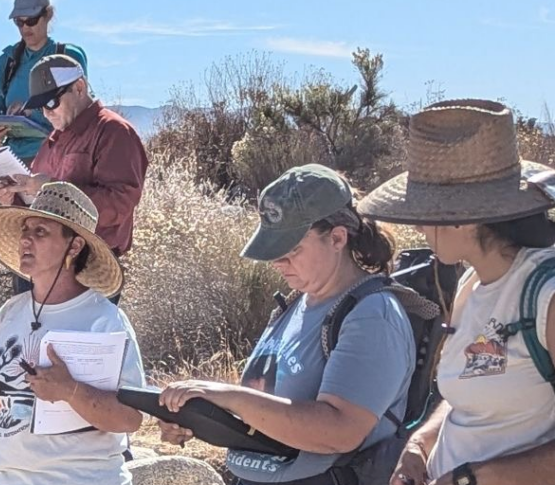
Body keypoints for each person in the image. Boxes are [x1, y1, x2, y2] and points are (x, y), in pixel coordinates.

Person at [157, 164, 417, 485]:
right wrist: (200, 414)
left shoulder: (373, 316)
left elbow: (340, 432)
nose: (278, 263)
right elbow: (267, 410)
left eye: (291, 249)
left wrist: (229, 396)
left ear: (337, 238)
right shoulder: (298, 302)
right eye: (274, 250)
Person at [356, 99, 555, 485]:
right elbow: (470, 394)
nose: (420, 228)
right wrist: (421, 444)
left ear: (465, 219)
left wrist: (474, 478)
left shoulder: (545, 293)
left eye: (427, 213)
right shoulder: (471, 282)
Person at [0, 182, 145, 485]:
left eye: (41, 232)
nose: (26, 239)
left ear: (74, 246)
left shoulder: (103, 321)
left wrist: (71, 391)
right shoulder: (9, 312)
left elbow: (129, 419)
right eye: (25, 230)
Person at [0, 54, 148, 300]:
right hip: (42, 269)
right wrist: (13, 199)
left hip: (89, 269)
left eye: (52, 102)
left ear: (79, 88)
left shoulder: (114, 132)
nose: (46, 113)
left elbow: (119, 203)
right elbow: (40, 208)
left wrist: (52, 189)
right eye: (40, 107)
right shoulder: (52, 142)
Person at [0, 0, 88, 166]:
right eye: (19, 22)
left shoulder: (68, 56)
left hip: (57, 158)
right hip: (14, 160)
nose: (25, 27)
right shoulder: (7, 61)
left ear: (48, 15)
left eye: (31, 21)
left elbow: (82, 109)